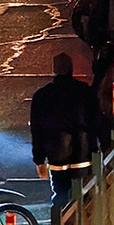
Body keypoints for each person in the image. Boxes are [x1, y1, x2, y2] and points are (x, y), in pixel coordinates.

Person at [30, 53, 103, 209]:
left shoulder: (42, 96)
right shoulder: (84, 92)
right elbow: (96, 121)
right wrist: (100, 145)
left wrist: (39, 160)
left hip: (56, 155)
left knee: (60, 196)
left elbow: (36, 131)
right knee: (84, 195)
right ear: (71, 69)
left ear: (55, 70)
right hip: (83, 152)